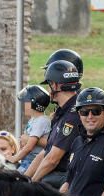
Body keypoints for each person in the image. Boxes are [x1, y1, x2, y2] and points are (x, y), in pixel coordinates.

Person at [28, 60, 82, 188]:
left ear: (55, 85)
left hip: (67, 177)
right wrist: (25, 178)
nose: (48, 89)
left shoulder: (72, 116)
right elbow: (46, 153)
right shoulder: (62, 111)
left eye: (49, 85)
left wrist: (31, 184)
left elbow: (53, 159)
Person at [13, 86, 51, 173]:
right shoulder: (34, 119)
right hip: (27, 159)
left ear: (34, 104)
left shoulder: (41, 121)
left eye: (25, 103)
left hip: (33, 161)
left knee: (17, 180)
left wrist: (14, 159)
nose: (23, 106)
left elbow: (29, 147)